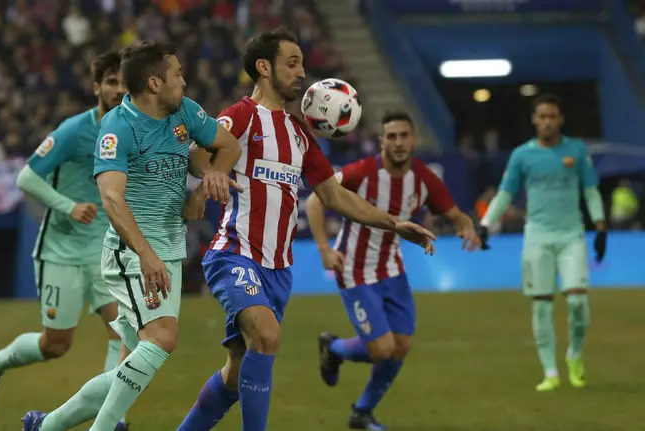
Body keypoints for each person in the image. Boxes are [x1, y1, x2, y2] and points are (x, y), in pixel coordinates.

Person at [176, 27, 436, 431]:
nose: (302, 73)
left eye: (302, 64)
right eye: (292, 63)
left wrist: (394, 223)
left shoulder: (300, 135)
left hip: (279, 270)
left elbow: (334, 196)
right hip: (235, 253)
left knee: (236, 373)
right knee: (267, 337)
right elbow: (196, 152)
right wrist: (209, 174)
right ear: (264, 68)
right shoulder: (242, 115)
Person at [21, 40, 242, 431]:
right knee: (161, 340)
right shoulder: (118, 126)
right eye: (177, 75)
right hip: (132, 253)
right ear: (155, 83)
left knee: (129, 366)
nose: (185, 82)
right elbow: (111, 198)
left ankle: (46, 426)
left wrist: (207, 183)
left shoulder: (185, 113)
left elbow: (228, 145)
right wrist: (145, 254)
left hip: (169, 249)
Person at [0, 52, 128, 430]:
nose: (119, 89)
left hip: (104, 252)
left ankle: (114, 418)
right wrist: (68, 206)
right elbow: (26, 177)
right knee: (56, 344)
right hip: (62, 250)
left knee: (122, 332)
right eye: (110, 81)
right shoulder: (75, 130)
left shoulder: (132, 130)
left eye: (124, 81)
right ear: (97, 87)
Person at [310, 111, 483, 430]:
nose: (399, 142)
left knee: (401, 346)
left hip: (392, 268)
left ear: (414, 140)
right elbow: (314, 202)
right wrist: (324, 248)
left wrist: (466, 227)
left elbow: (456, 214)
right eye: (391, 136)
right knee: (382, 348)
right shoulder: (361, 172)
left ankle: (362, 412)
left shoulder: (424, 179)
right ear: (381, 143)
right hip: (354, 268)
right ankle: (333, 348)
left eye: (404, 135)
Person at [479, 94, 607, 392]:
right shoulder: (522, 155)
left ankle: (574, 355)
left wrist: (600, 226)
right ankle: (550, 372)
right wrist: (486, 224)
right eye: (542, 116)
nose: (547, 121)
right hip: (537, 237)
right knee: (542, 308)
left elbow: (590, 190)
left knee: (577, 301)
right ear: (535, 120)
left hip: (570, 235)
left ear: (560, 119)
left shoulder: (576, 150)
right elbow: (505, 193)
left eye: (553, 116)